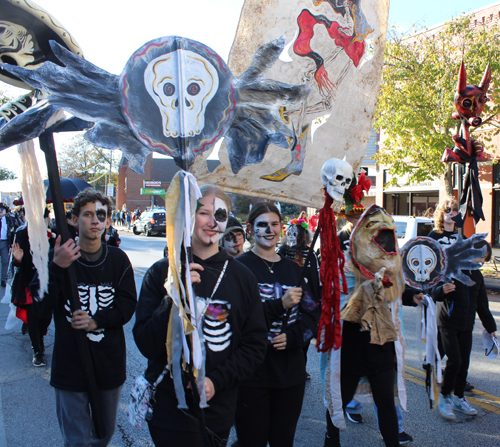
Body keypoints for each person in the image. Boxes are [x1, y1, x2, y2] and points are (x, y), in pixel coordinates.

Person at [133, 185, 267, 447]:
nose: (212, 221)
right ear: (187, 217)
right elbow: (146, 343)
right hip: (170, 410)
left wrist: (216, 382)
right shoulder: (161, 273)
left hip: (217, 410)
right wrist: (173, 298)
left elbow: (255, 345)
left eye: (220, 214)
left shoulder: (242, 278)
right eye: (203, 212)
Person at [32, 188, 137, 447]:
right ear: (73, 219)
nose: (94, 221)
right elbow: (37, 313)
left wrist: (96, 321)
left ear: (109, 220)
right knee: (76, 440)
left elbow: (127, 305)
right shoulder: (58, 257)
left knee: (104, 434)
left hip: (108, 365)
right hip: (70, 365)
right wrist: (57, 268)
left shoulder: (118, 260)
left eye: (100, 215)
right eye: (87, 214)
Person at [235, 202, 320, 447]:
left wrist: (294, 337)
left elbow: (312, 313)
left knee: (283, 441)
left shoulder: (293, 269)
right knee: (252, 441)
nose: (269, 230)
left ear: (282, 228)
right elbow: (235, 319)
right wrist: (278, 305)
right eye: (263, 224)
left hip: (289, 375)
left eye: (274, 224)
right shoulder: (238, 268)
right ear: (250, 228)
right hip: (251, 375)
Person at [432, 239, 497, 420]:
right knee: (455, 360)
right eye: (480, 259)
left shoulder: (477, 276)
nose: (480, 263)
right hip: (447, 323)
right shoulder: (450, 268)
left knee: (464, 363)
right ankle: (445, 397)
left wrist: (491, 328)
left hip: (466, 326)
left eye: (483, 261)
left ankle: (459, 397)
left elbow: (482, 305)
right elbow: (433, 290)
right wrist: (442, 290)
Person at [10, 223, 52, 367]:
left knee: (46, 317)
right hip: (28, 281)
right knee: (33, 317)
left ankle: (39, 339)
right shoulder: (21, 233)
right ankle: (37, 351)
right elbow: (15, 262)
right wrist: (18, 259)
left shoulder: (50, 233)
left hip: (46, 281)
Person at [0, 202, 19, 287]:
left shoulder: (9, 219)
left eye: (2, 209)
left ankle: (3, 279)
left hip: (4, 242)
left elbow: (15, 227)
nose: (0, 211)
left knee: (5, 260)